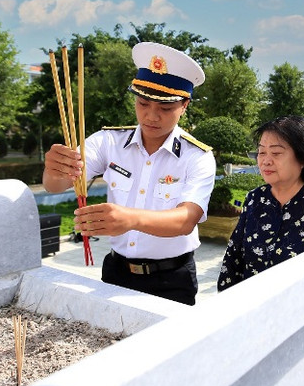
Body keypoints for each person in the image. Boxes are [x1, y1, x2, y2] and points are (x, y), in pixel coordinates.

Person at [43, 42, 215, 306]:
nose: (151, 116)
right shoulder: (108, 142)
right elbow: (57, 185)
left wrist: (130, 219)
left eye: (165, 109)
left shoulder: (197, 156)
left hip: (172, 280)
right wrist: (55, 168)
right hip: (117, 272)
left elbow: (185, 220)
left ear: (185, 105)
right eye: (143, 103)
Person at [216, 116, 304, 382]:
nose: (265, 160)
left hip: (300, 331)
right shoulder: (255, 200)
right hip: (251, 326)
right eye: (261, 152)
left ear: (302, 159)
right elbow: (233, 260)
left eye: (276, 153)